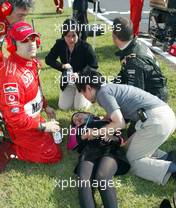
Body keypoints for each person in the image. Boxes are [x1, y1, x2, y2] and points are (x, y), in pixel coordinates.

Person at [75, 68, 176, 186]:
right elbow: (115, 115)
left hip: (157, 121)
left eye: (83, 93)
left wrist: (95, 133)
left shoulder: (102, 94)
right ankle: (167, 157)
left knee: (130, 161)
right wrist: (99, 120)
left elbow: (119, 123)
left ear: (88, 87)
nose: (84, 97)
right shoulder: (108, 88)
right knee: (127, 148)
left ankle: (170, 169)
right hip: (162, 116)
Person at [0, 21, 62, 164]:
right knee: (52, 154)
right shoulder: (12, 77)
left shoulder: (31, 61)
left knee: (55, 138)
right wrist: (43, 126)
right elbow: (14, 118)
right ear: (12, 45)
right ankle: (12, 150)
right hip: (19, 127)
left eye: (33, 38)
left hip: (33, 118)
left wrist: (45, 106)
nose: (31, 43)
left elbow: (37, 87)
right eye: (24, 41)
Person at [68, 112, 130, 208]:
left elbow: (120, 139)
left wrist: (109, 136)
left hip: (109, 151)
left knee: (102, 177)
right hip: (89, 153)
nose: (77, 118)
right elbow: (73, 144)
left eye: (78, 115)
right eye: (74, 119)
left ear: (88, 114)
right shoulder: (78, 128)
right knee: (83, 181)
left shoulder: (107, 120)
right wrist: (80, 131)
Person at [45, 19, 98, 111]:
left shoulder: (86, 47)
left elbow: (94, 66)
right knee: (63, 107)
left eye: (74, 35)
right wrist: (62, 66)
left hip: (83, 81)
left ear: (78, 34)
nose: (71, 39)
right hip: (68, 81)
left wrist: (80, 74)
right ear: (63, 35)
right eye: (68, 36)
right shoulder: (60, 44)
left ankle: (91, 94)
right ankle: (74, 94)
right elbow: (48, 59)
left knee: (79, 107)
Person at [112, 17, 168, 102]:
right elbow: (123, 75)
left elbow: (136, 95)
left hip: (155, 100)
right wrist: (109, 87)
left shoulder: (134, 61)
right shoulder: (134, 45)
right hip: (154, 92)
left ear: (114, 36)